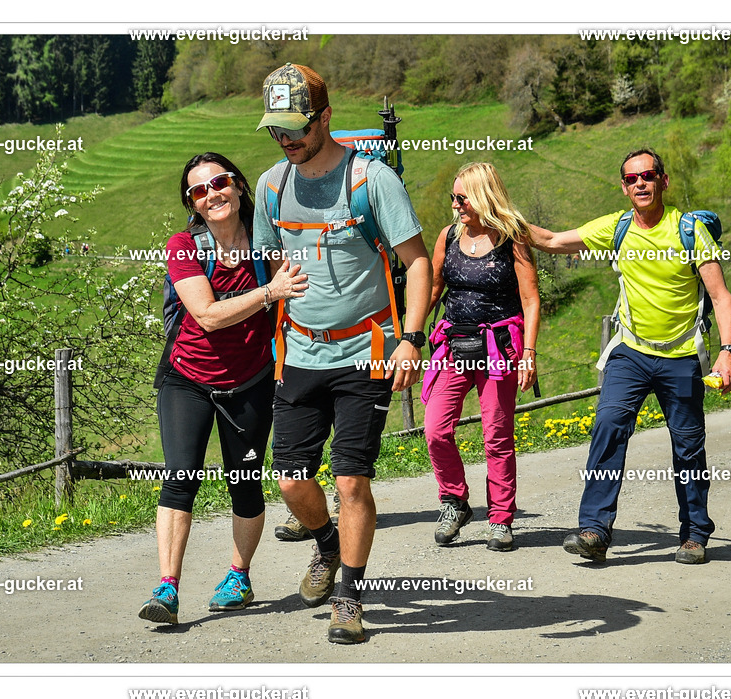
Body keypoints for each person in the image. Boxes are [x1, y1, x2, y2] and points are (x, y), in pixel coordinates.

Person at [252, 63, 431, 643]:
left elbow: (418, 263)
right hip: (300, 353)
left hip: (367, 350)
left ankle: (350, 598)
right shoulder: (271, 185)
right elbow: (265, 263)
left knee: (352, 482)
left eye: (296, 129)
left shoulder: (372, 180)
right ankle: (327, 546)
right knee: (290, 482)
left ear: (325, 118)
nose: (287, 140)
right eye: (276, 131)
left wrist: (411, 338)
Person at [529, 147, 731, 565]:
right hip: (631, 352)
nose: (640, 183)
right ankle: (593, 530)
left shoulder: (689, 230)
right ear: (624, 187)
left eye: (648, 175)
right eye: (631, 178)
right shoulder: (618, 227)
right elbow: (552, 241)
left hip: (681, 356)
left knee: (688, 447)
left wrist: (727, 353)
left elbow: (721, 296)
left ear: (663, 181)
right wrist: (497, 213)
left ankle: (695, 534)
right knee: (608, 424)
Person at [138, 152, 307, 625]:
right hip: (187, 379)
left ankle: (239, 575)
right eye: (199, 190)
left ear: (237, 185)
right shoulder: (183, 246)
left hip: (250, 381)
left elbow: (301, 289)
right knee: (180, 477)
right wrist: (270, 292)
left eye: (220, 182)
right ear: (192, 204)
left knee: (245, 485)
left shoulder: (267, 238)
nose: (212, 194)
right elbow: (208, 316)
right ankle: (167, 588)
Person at [421, 162, 540, 552]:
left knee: (497, 437)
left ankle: (501, 520)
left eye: (462, 198)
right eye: (452, 198)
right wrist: (408, 333)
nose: (455, 205)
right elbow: (434, 288)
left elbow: (530, 299)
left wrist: (528, 354)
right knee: (436, 429)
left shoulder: (512, 237)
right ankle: (455, 500)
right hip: (453, 345)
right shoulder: (448, 237)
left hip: (499, 348)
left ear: (483, 197)